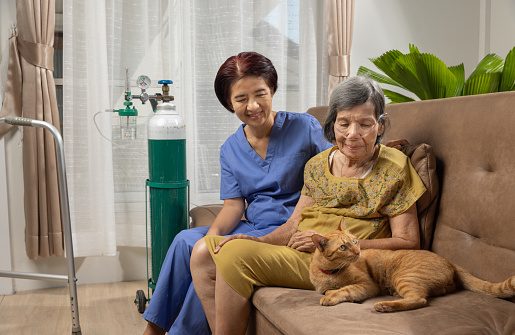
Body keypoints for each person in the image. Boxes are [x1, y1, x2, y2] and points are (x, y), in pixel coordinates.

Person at [190, 76, 427, 334]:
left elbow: (408, 241)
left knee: (231, 255)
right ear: (332, 124)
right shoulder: (317, 165)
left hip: (341, 265)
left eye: (365, 124)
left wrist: (336, 246)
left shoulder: (394, 169)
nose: (352, 134)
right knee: (204, 253)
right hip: (300, 253)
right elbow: (294, 224)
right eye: (344, 123)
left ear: (380, 126)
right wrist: (259, 242)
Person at [142, 51, 332, 335]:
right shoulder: (230, 147)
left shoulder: (304, 126)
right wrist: (211, 236)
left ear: (272, 90)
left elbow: (334, 168)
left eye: (260, 94)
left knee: (210, 255)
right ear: (229, 103)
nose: (253, 105)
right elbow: (233, 206)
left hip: (289, 227)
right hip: (252, 224)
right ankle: (154, 329)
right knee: (186, 241)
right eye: (241, 99)